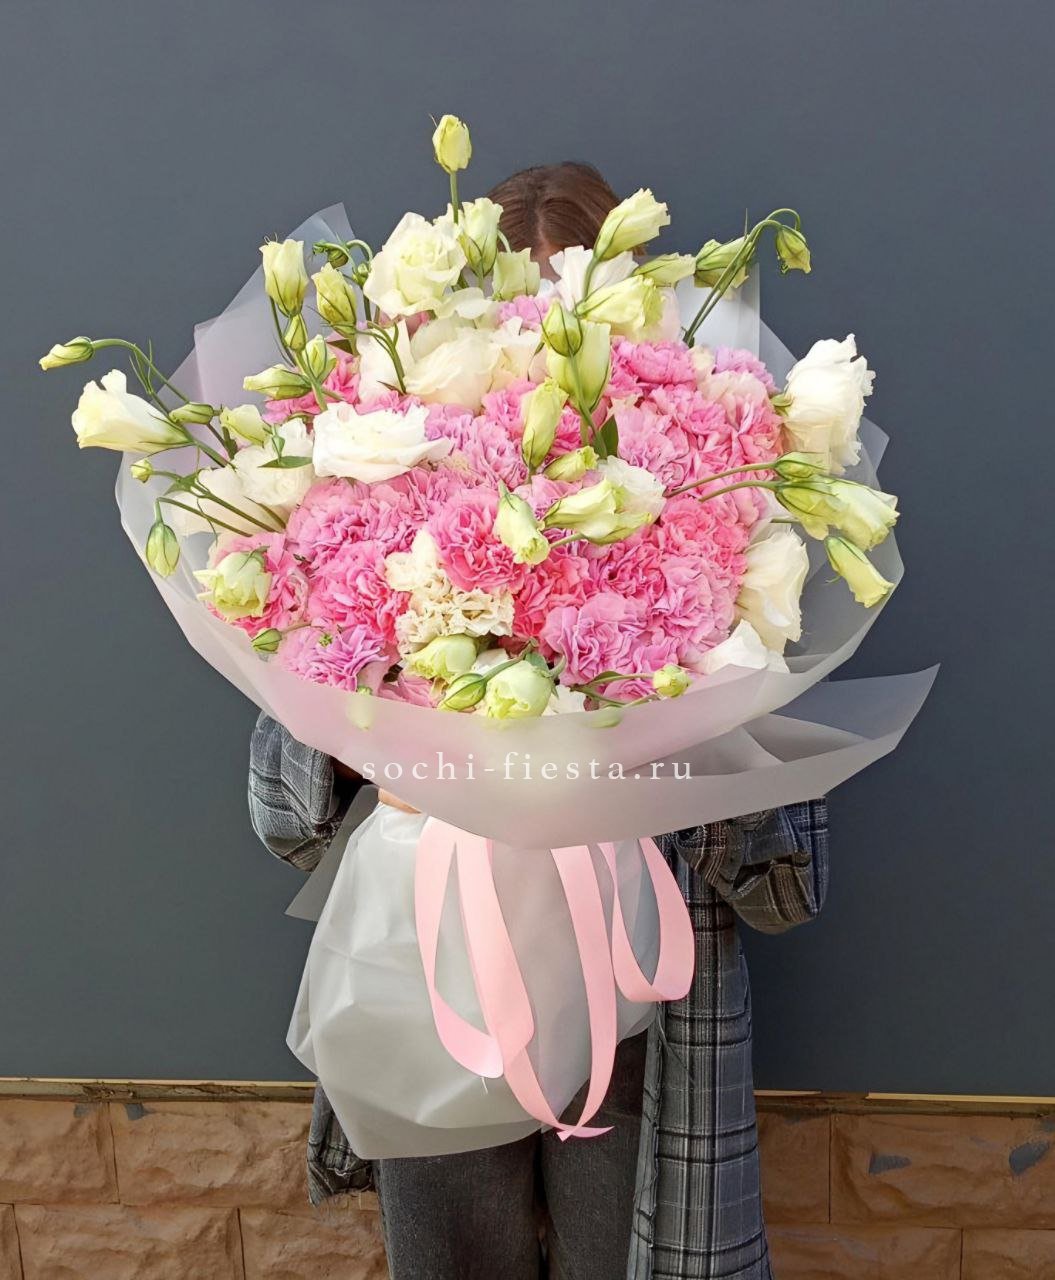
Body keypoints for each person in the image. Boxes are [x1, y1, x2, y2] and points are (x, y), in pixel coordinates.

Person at [249, 161, 828, 1280]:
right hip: (436, 962)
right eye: (509, 317)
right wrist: (394, 729)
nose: (538, 347)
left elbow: (785, 882)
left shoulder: (719, 518)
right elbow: (285, 809)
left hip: (642, 977)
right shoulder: (368, 505)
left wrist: (665, 750)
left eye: (567, 313)